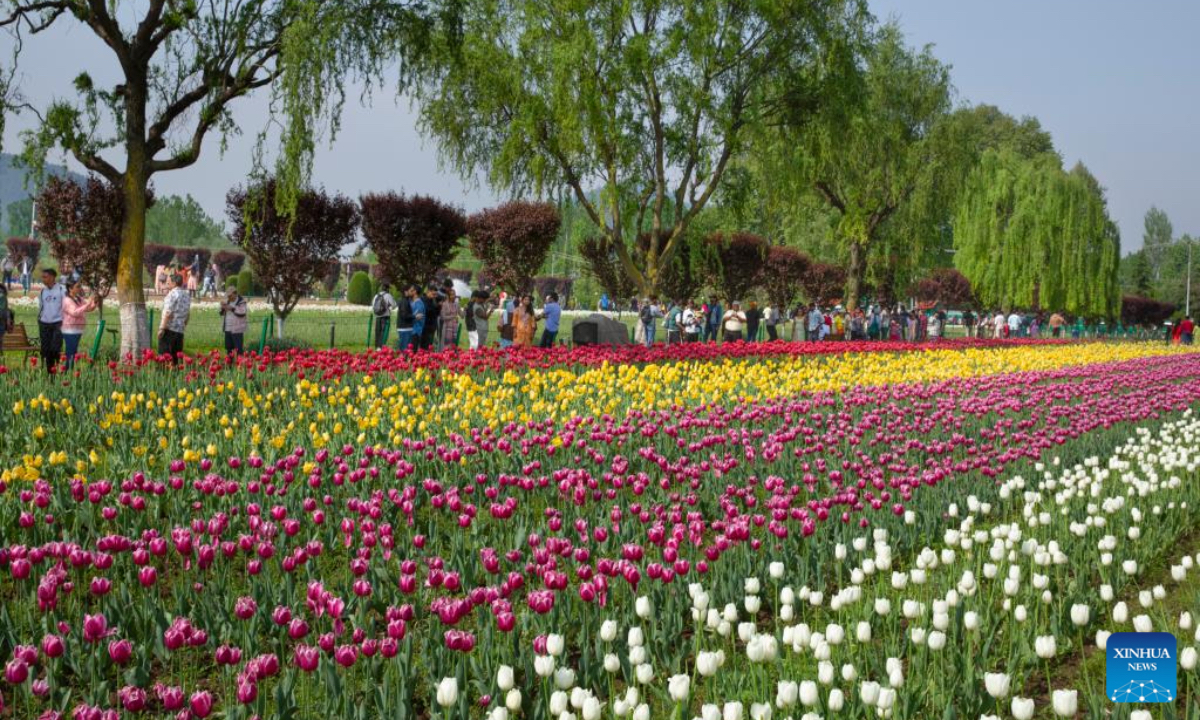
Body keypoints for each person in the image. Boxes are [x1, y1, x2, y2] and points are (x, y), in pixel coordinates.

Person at [60, 281, 98, 370]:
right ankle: (67, 370)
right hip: (69, 329)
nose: (79, 288)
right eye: (77, 287)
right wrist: (88, 303)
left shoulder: (78, 298)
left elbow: (88, 308)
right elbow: (75, 312)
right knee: (71, 351)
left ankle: (68, 370)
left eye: (80, 286)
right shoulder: (67, 300)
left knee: (73, 351)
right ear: (70, 288)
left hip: (77, 329)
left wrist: (94, 302)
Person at [158, 273, 191, 364]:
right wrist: (183, 325)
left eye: (169, 282)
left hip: (169, 329)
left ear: (174, 283)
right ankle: (174, 376)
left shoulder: (172, 294)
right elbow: (188, 314)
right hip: (180, 331)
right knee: (175, 358)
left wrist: (162, 328)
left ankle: (164, 376)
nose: (167, 284)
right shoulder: (187, 295)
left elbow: (168, 313)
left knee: (164, 357)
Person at [37, 268, 65, 372]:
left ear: (53, 277)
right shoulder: (42, 291)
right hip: (44, 324)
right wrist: (40, 320)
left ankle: (56, 369)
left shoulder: (62, 290)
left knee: (55, 349)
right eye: (42, 277)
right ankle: (49, 374)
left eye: (45, 277)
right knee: (45, 350)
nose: (43, 279)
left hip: (58, 323)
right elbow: (41, 307)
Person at [219, 287, 248, 355]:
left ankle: (240, 364)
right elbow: (221, 313)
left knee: (238, 349)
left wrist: (232, 308)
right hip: (227, 328)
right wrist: (222, 308)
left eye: (230, 295)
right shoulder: (227, 301)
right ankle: (229, 364)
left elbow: (242, 313)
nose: (228, 297)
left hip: (237, 329)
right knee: (229, 348)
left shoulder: (242, 302)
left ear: (235, 294)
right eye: (228, 296)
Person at [371, 284, 397, 349]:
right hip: (385, 317)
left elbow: (373, 305)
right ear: (387, 289)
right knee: (384, 332)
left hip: (377, 317)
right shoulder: (388, 295)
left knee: (377, 332)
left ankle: (377, 347)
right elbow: (394, 305)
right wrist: (389, 308)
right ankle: (382, 347)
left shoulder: (376, 295)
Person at [395, 285, 416, 351]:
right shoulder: (404, 301)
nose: (412, 292)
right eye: (411, 291)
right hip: (405, 328)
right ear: (405, 292)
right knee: (405, 349)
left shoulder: (406, 300)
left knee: (405, 348)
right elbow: (404, 315)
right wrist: (414, 316)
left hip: (405, 327)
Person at [421, 286, 442, 350]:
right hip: (425, 326)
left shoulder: (433, 300)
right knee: (424, 345)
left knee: (429, 344)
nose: (434, 296)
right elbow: (427, 310)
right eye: (433, 294)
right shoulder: (423, 299)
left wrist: (439, 306)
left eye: (435, 294)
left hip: (432, 326)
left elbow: (437, 313)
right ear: (428, 292)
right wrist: (437, 306)